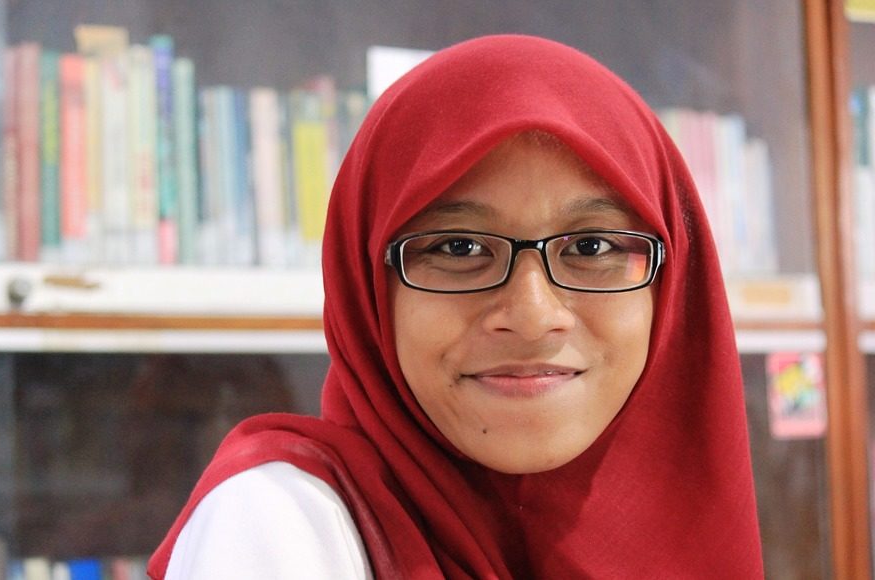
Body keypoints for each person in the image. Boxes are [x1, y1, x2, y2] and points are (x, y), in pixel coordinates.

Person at [148, 34, 763, 578]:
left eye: (592, 247)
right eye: (459, 248)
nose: (532, 315)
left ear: (674, 287)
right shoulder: (277, 526)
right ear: (368, 289)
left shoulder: (683, 528)